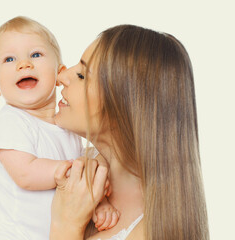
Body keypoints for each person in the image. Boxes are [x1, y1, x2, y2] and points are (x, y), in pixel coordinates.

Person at [50, 24, 209, 240]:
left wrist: (66, 226)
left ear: (124, 105)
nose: (61, 77)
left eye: (82, 76)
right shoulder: (73, 165)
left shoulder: (146, 233)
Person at [0, 16, 118, 240]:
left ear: (59, 73)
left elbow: (79, 188)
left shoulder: (67, 126)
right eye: (9, 59)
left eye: (35, 54)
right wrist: (74, 172)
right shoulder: (11, 120)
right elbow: (25, 173)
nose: (24, 64)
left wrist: (98, 201)